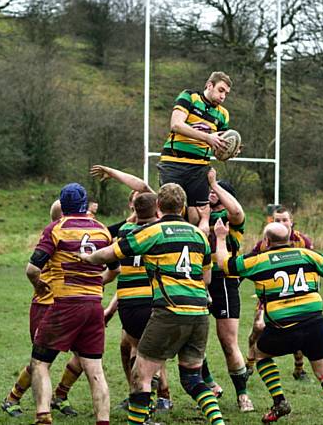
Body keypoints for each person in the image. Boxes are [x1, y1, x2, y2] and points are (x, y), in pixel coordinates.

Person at [80, 183, 226, 425]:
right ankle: (218, 422)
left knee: (140, 375)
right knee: (192, 379)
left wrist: (87, 257)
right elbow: (207, 278)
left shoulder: (153, 231)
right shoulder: (199, 234)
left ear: (159, 206)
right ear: (183, 207)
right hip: (200, 312)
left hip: (169, 311)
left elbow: (110, 254)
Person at [214, 220, 323, 424]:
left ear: (266, 241)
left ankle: (280, 401)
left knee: (258, 353)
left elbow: (225, 265)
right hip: (315, 323)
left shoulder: (259, 260)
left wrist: (220, 237)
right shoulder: (306, 254)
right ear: (289, 239)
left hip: (283, 327)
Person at [26, 183, 120, 425]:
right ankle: (103, 420)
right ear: (85, 204)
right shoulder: (102, 231)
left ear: (62, 204)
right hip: (94, 306)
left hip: (65, 304)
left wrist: (39, 285)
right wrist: (96, 284)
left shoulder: (56, 229)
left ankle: (43, 415)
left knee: (39, 362)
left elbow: (32, 269)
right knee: (95, 370)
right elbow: (115, 269)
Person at [90, 165, 173, 410]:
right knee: (129, 347)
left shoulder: (124, 232)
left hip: (143, 301)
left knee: (141, 351)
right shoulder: (159, 229)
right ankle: (141, 394)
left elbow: (112, 266)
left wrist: (113, 173)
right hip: (139, 299)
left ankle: (154, 396)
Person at [1, 200, 83, 418]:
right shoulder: (55, 236)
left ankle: (60, 395)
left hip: (71, 304)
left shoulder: (73, 234)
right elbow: (32, 269)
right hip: (46, 305)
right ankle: (12, 398)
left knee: (85, 356)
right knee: (41, 360)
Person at [201, 168, 254, 412]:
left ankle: (243, 395)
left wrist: (215, 184)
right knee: (191, 340)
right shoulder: (199, 213)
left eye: (217, 192)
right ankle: (210, 384)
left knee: (228, 341)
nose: (212, 193)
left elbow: (237, 210)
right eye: (210, 190)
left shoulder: (232, 219)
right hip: (199, 281)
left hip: (225, 281)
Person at [157, 71, 232, 235]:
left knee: (198, 214)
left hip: (200, 166)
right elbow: (176, 125)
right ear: (209, 85)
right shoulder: (189, 97)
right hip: (174, 162)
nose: (223, 96)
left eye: (226, 93)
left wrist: (229, 150)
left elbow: (218, 146)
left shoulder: (223, 114)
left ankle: (188, 245)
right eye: (220, 90)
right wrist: (207, 138)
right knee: (170, 208)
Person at [246, 207, 313, 381]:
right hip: (270, 296)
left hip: (297, 297)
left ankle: (299, 369)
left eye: (284, 220)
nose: (281, 223)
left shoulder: (303, 241)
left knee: (298, 331)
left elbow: (313, 265)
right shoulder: (265, 242)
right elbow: (250, 262)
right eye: (277, 220)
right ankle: (249, 364)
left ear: (291, 222)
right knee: (258, 328)